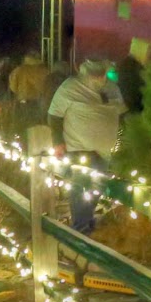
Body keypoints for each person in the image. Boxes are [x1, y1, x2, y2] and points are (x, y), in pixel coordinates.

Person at [47, 58, 126, 233]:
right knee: (81, 189)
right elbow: (54, 115)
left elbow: (122, 113)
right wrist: (58, 142)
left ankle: (86, 224)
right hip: (78, 148)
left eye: (102, 73)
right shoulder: (70, 87)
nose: (99, 77)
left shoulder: (112, 89)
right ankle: (80, 229)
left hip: (104, 151)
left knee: (97, 188)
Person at [114, 38, 151, 116]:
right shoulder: (133, 69)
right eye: (148, 52)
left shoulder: (128, 66)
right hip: (134, 113)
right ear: (141, 51)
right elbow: (135, 94)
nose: (149, 56)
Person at [8, 51, 51, 128]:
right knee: (37, 124)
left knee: (23, 123)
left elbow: (12, 86)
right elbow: (48, 86)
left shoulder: (19, 70)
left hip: (23, 100)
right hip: (39, 100)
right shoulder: (44, 70)